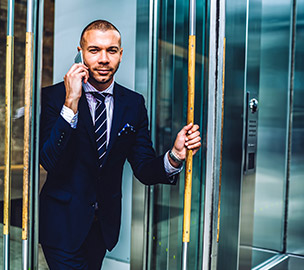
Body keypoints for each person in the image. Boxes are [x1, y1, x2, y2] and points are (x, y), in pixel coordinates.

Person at [39, 20, 201, 269]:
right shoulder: (53, 97)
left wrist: (175, 156)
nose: (103, 59)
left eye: (111, 50)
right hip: (61, 224)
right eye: (94, 50)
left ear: (120, 54)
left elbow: (144, 168)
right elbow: (49, 160)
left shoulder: (133, 103)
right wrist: (71, 102)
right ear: (80, 53)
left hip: (102, 227)